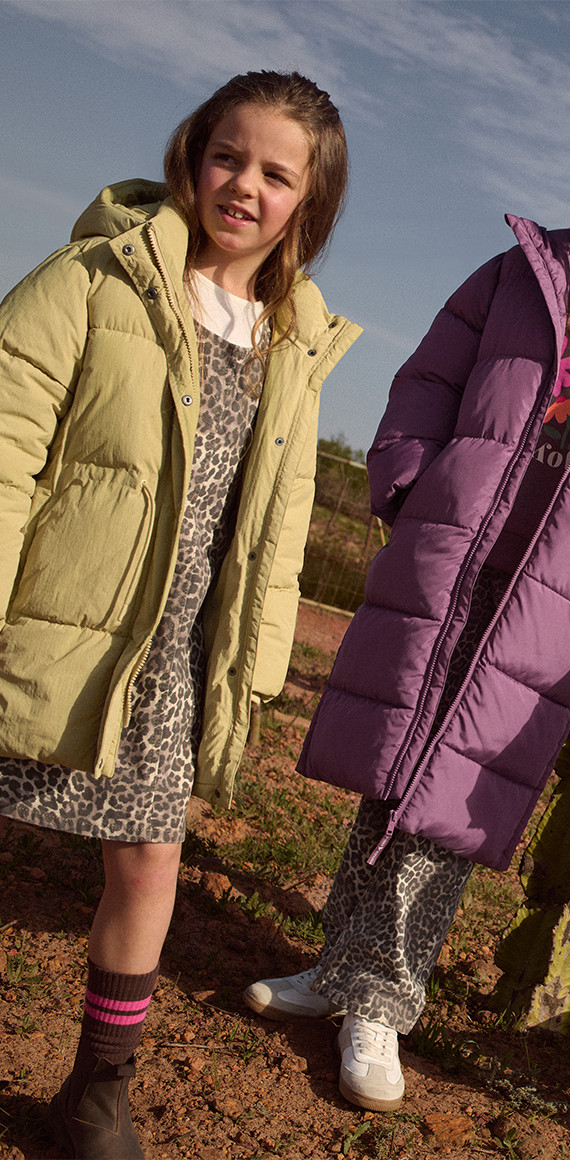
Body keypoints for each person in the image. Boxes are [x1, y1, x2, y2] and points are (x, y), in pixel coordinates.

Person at [243, 95, 570, 1112]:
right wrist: (407, 482)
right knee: (397, 759)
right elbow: (430, 377)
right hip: (455, 548)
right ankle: (341, 969)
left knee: (454, 787)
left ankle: (385, 1001)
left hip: (554, 594)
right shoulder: (527, 270)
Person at [0, 71, 359, 1158]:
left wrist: (256, 660)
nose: (244, 185)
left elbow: (280, 517)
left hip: (175, 646)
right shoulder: (93, 277)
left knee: (150, 858)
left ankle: (97, 1091)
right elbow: (6, 446)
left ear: (308, 202)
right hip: (53, 611)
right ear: (192, 157)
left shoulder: (294, 339)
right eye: (227, 157)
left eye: (275, 174)